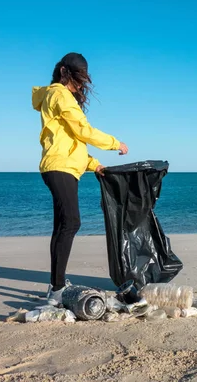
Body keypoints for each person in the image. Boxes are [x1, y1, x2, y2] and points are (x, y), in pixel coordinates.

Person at [32, 53, 128, 305]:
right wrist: (114, 143)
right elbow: (83, 130)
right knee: (71, 223)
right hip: (59, 168)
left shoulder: (59, 97)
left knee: (64, 225)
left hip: (64, 167)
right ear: (64, 72)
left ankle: (56, 286)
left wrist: (94, 164)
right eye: (77, 78)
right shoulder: (58, 94)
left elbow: (72, 143)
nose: (80, 85)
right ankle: (57, 288)